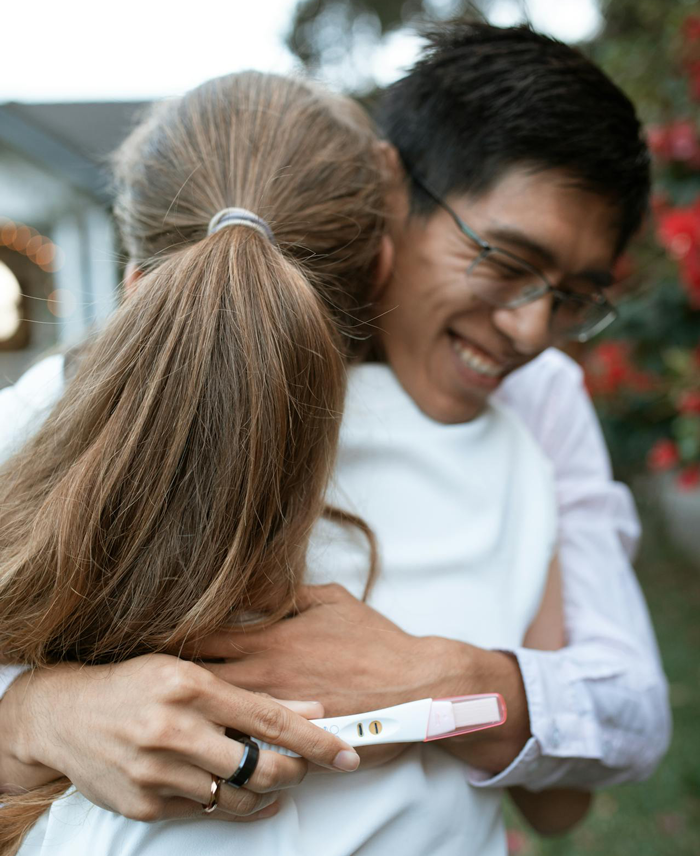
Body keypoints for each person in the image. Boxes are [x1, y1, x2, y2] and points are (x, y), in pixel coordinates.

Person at [0, 17, 669, 848]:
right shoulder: (71, 412)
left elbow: (603, 744)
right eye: (503, 259)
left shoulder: (530, 418)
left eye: (576, 296)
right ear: (390, 201)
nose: (534, 331)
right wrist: (38, 713)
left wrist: (436, 679)